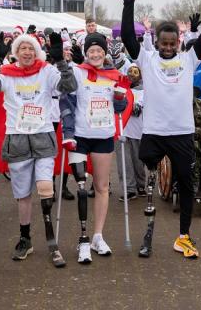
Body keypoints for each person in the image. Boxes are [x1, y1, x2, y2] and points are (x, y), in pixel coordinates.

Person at [120, 0, 201, 259]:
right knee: (147, 159)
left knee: (187, 182)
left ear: (178, 42)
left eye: (171, 43)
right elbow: (128, 37)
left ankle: (184, 236)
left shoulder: (189, 59)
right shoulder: (148, 59)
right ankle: (151, 208)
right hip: (154, 131)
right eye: (162, 43)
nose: (166, 47)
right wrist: (129, 3)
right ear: (156, 42)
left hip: (182, 132)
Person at [0, 29, 76, 267]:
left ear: (37, 52)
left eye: (31, 48)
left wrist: (62, 61)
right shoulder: (7, 73)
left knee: (45, 187)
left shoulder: (46, 71)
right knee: (23, 196)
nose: (27, 52)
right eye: (22, 48)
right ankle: (25, 238)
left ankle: (51, 240)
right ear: (15, 53)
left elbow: (69, 85)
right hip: (18, 140)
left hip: (43, 138)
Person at [60, 32, 129, 264]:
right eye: (91, 50)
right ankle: (83, 239)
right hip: (79, 137)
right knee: (80, 187)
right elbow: (66, 101)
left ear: (105, 52)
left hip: (104, 136)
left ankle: (98, 236)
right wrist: (68, 134)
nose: (96, 53)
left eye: (99, 50)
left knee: (101, 187)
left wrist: (121, 99)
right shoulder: (77, 73)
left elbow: (120, 106)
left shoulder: (113, 75)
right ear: (86, 52)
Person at [117, 64, 146, 200]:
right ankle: (129, 189)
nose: (132, 74)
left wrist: (122, 101)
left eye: (135, 72)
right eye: (130, 72)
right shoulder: (121, 89)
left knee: (138, 161)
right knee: (124, 161)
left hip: (137, 130)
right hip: (122, 129)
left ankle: (140, 185)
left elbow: (136, 110)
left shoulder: (144, 91)